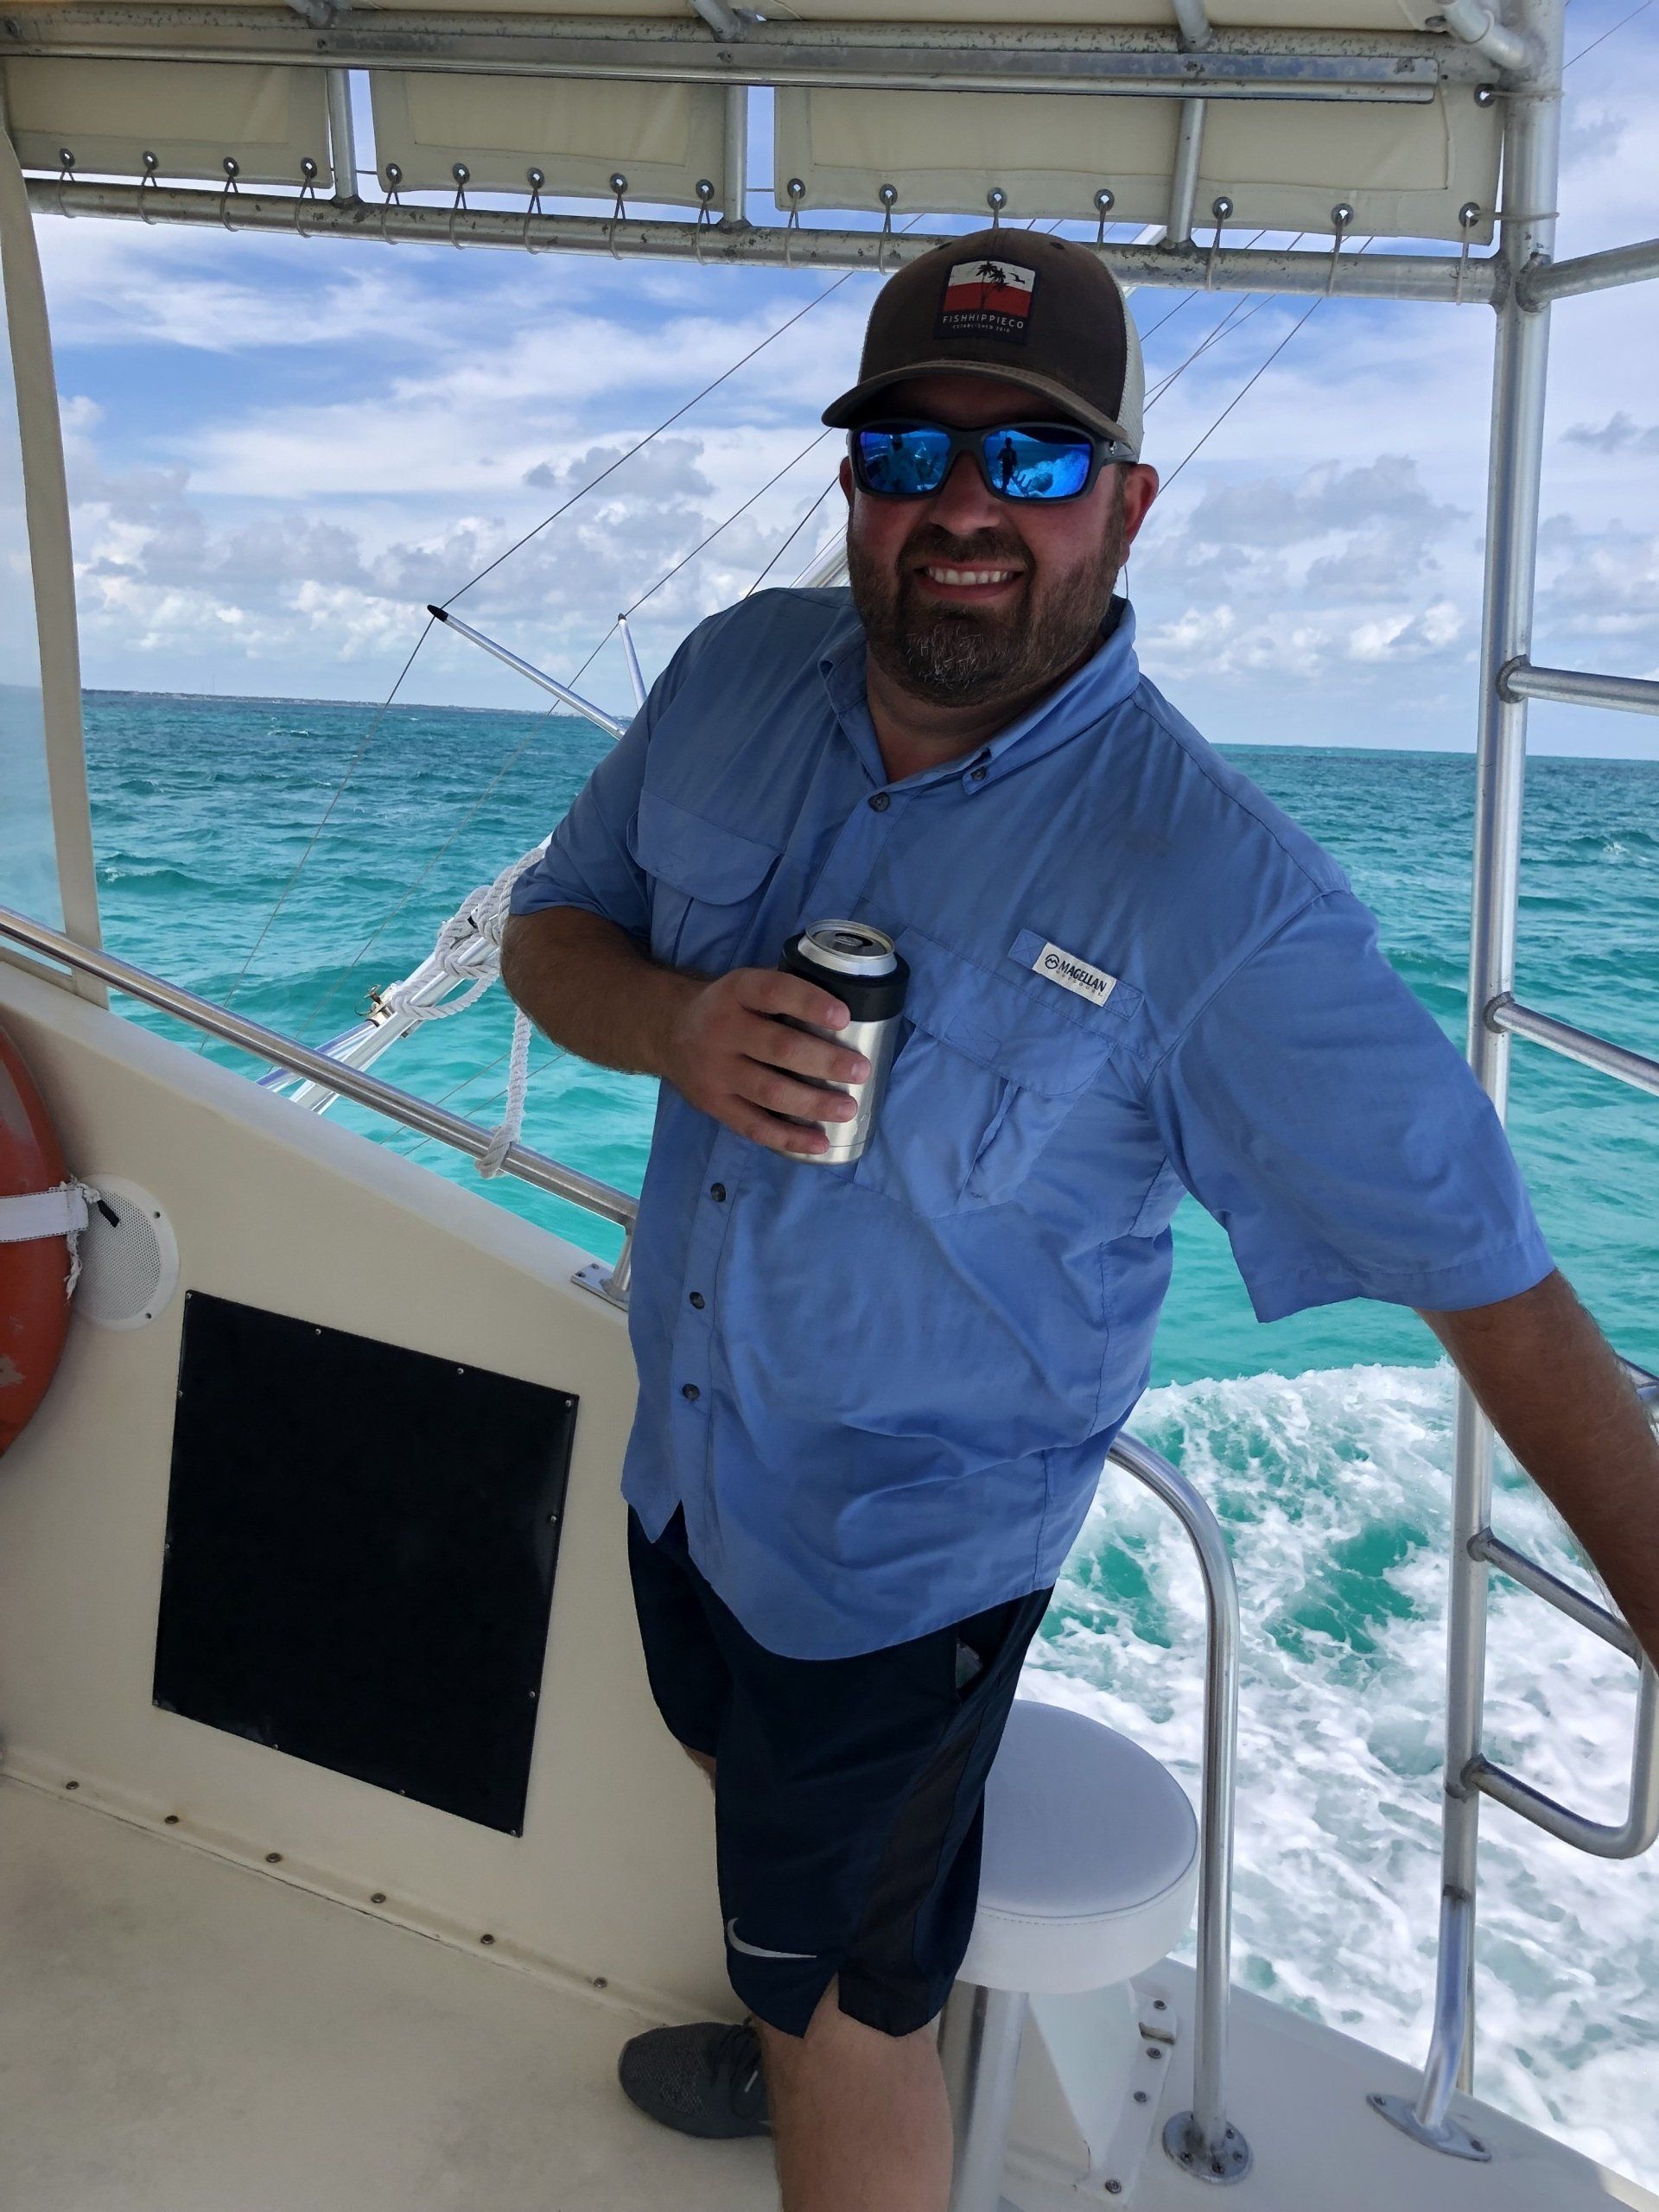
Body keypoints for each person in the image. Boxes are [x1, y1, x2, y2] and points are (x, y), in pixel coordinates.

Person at [499, 226, 1659, 2212]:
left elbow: (1511, 1301)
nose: (964, 508)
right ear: (850, 481)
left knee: (850, 2010)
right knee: (742, 1798)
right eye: (909, 452)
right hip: (686, 1473)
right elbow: (548, 938)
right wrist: (678, 1026)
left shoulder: (1220, 899)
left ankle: (839, 2046)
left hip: (902, 1576)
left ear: (1125, 505)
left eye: (1032, 464)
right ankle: (804, 1996)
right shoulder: (732, 672)